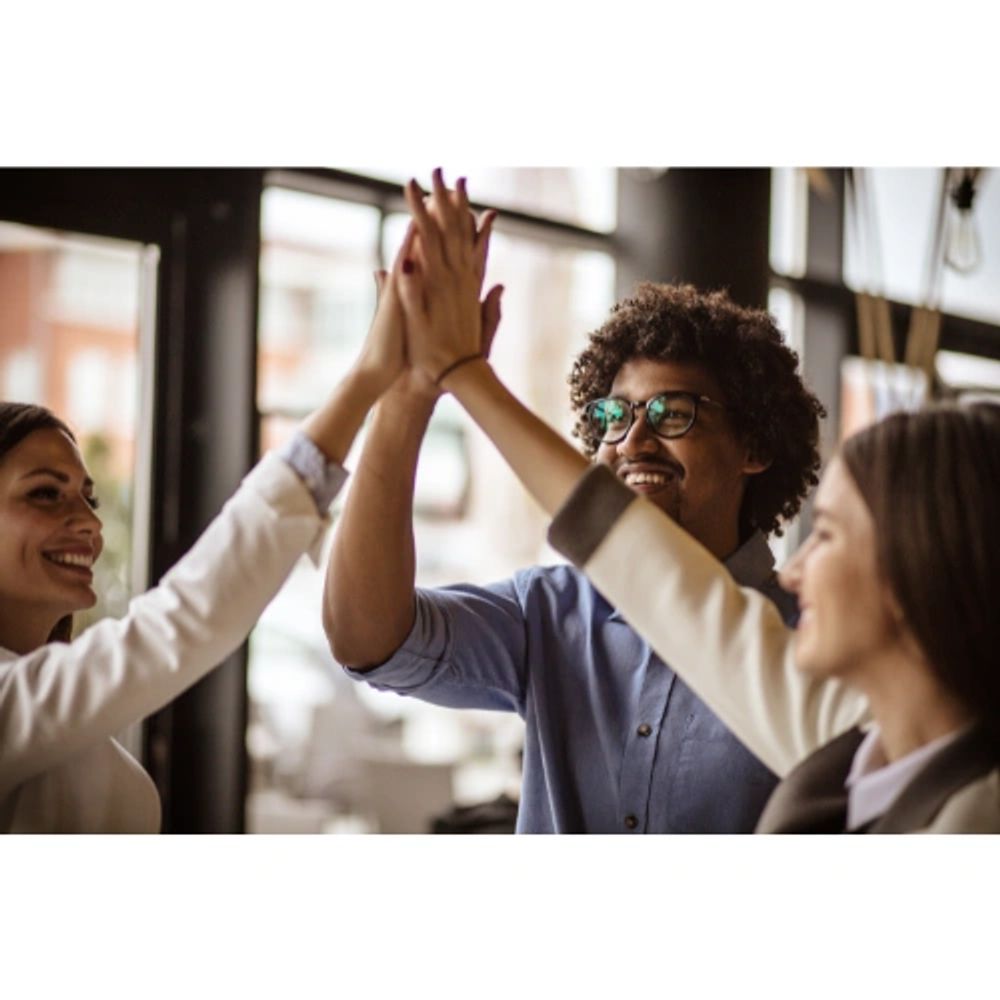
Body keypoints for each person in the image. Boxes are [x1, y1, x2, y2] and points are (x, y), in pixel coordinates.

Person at [394, 171, 1000, 834]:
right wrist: (447, 378)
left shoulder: (968, 812)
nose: (793, 571)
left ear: (924, 570)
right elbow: (672, 592)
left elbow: (667, 586)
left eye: (828, 536)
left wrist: (461, 372)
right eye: (615, 418)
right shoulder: (849, 733)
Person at [323, 169, 826, 833]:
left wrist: (462, 371)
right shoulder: (549, 613)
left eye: (673, 412)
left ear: (754, 446)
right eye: (614, 414)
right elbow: (367, 640)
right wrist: (410, 392)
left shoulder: (817, 640)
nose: (633, 438)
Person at [0, 250, 417, 833]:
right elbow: (182, 622)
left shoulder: (65, 717)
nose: (89, 524)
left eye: (88, 499)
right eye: (46, 494)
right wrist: (369, 378)